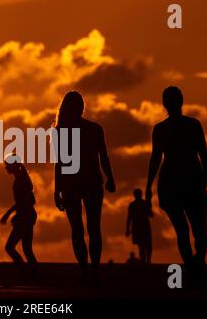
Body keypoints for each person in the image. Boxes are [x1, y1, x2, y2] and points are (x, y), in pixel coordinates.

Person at [146, 86, 207, 285]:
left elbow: (204, 154)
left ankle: (194, 266)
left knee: (191, 232)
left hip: (183, 180)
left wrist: (149, 186)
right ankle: (194, 268)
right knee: (194, 232)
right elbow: (156, 158)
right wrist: (148, 185)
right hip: (180, 181)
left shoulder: (187, 126)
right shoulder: (170, 128)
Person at [54, 91, 116, 283]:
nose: (80, 108)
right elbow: (60, 163)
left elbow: (102, 156)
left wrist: (110, 177)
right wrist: (57, 190)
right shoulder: (85, 129)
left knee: (84, 228)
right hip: (81, 183)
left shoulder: (66, 130)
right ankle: (89, 269)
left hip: (83, 183)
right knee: (86, 228)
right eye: (78, 104)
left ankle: (90, 269)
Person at [0, 154, 37, 266]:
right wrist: (13, 214)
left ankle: (27, 273)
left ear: (13, 165)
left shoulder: (21, 180)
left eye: (7, 165)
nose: (6, 168)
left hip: (26, 216)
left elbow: (27, 201)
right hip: (28, 215)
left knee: (10, 247)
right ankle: (34, 274)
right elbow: (24, 202)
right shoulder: (20, 179)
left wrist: (12, 214)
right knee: (27, 249)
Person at [126, 188, 153, 264]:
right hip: (141, 226)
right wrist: (127, 229)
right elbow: (129, 217)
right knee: (144, 245)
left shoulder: (136, 204)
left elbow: (151, 214)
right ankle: (145, 261)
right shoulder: (135, 204)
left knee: (145, 245)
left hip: (142, 226)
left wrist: (128, 229)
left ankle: (147, 261)